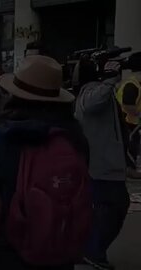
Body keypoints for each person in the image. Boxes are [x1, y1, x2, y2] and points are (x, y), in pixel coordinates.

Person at [0, 55, 91, 270]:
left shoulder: (1, 140)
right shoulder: (76, 138)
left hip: (11, 251)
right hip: (62, 247)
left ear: (14, 96)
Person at [75, 59, 130, 270]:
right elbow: (90, 104)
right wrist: (108, 82)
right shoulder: (90, 93)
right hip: (102, 167)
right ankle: (93, 251)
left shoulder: (93, 92)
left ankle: (90, 249)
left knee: (105, 210)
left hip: (105, 165)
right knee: (114, 208)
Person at [115, 52, 141, 179]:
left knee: (133, 143)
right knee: (131, 144)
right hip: (127, 120)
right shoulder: (132, 84)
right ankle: (129, 169)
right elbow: (127, 105)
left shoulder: (135, 82)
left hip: (132, 121)